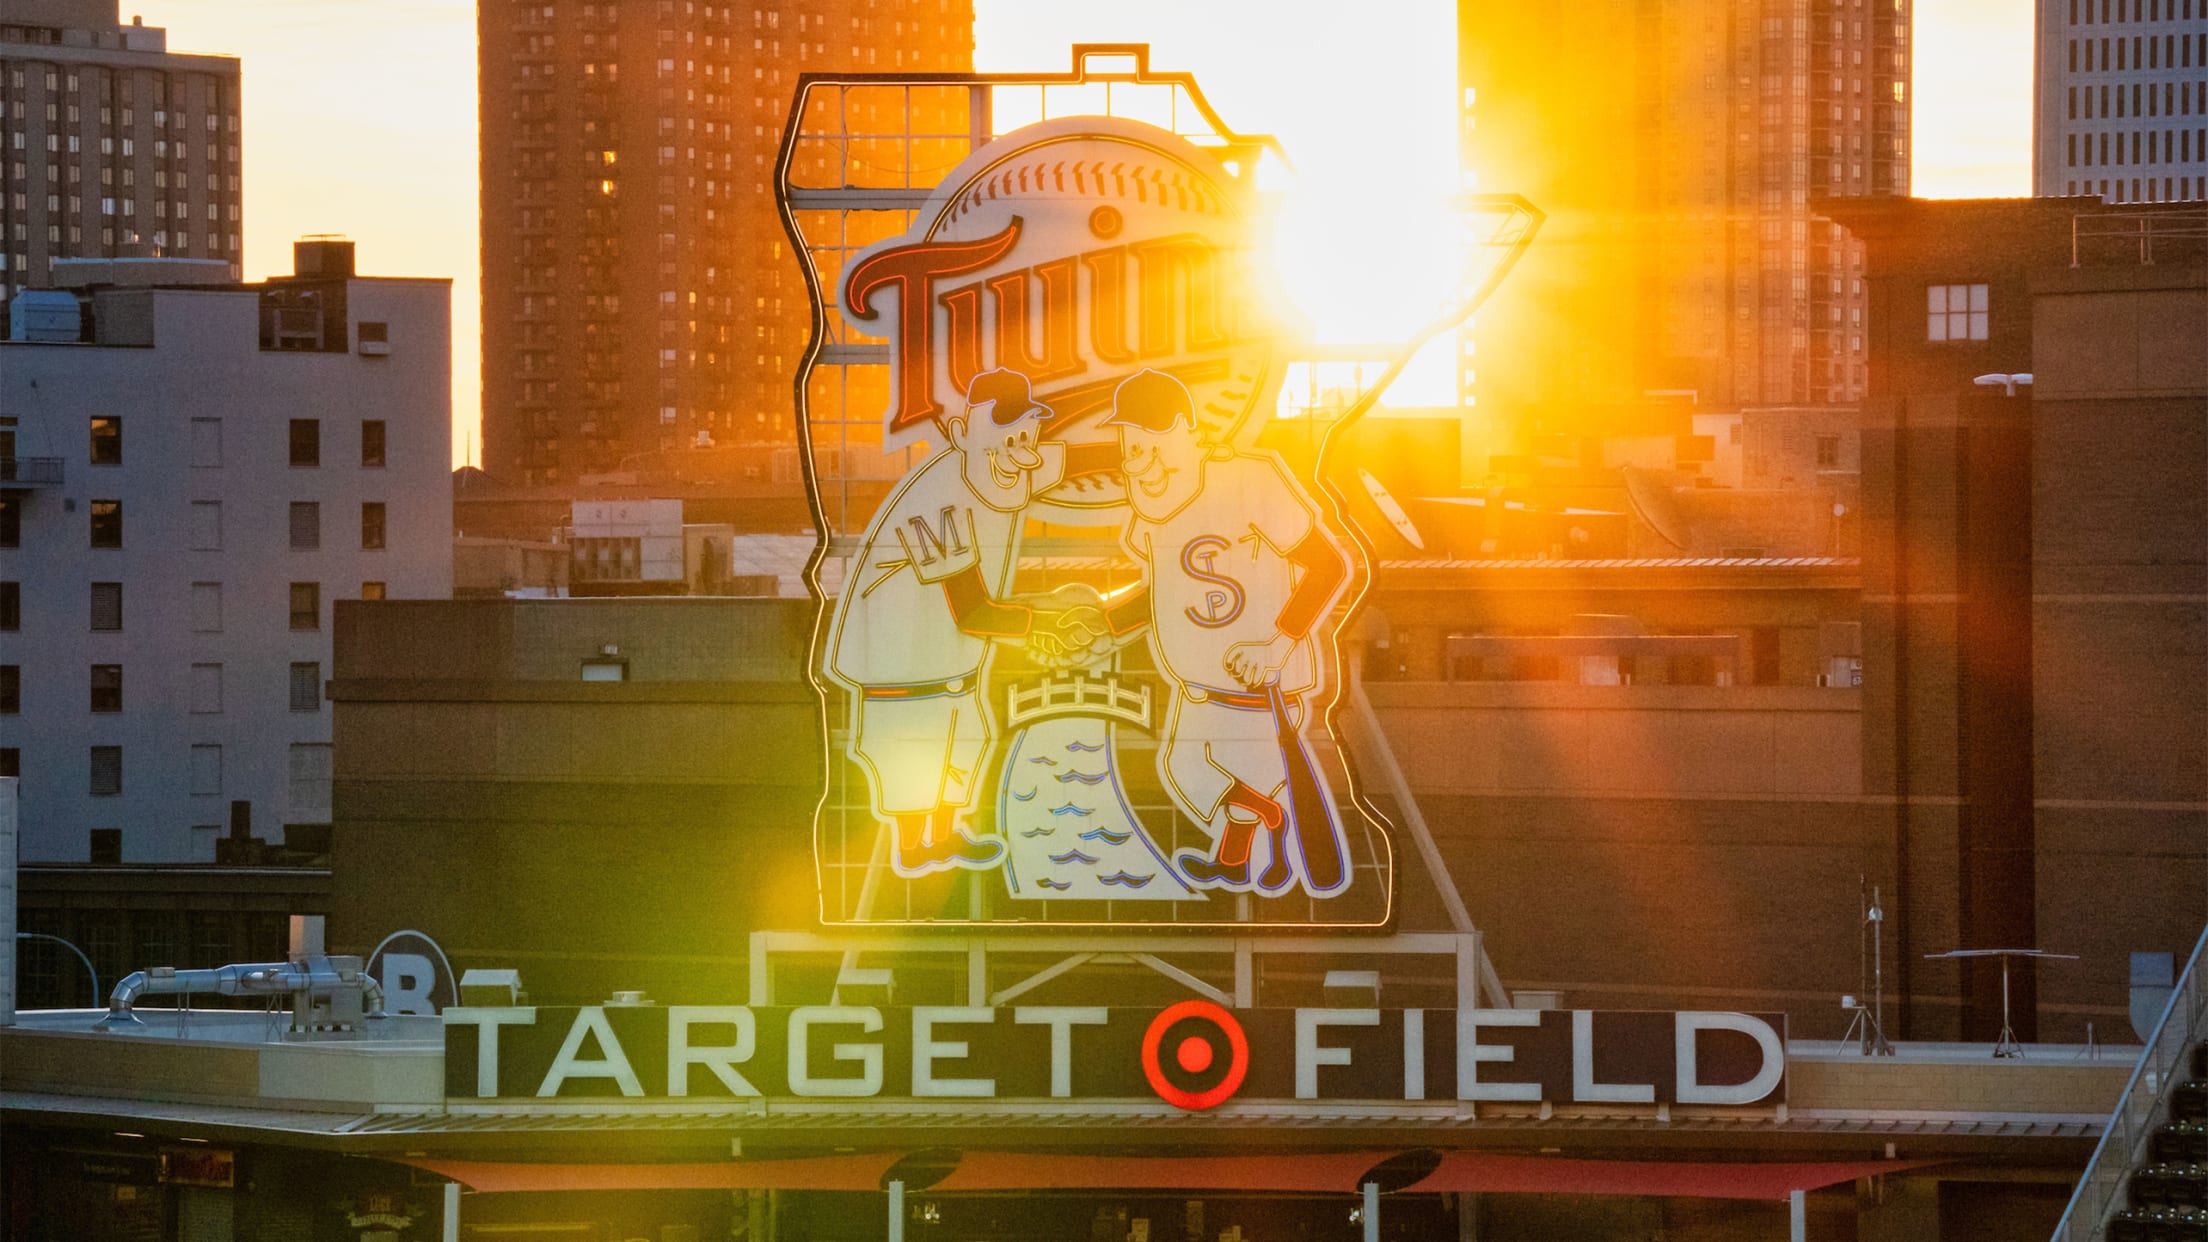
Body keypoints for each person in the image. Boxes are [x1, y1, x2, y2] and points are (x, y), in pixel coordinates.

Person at [1101, 369, 1353, 895]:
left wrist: (1277, 645)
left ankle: (1262, 833)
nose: (1138, 462)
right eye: (1129, 445)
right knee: (1183, 768)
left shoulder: (1249, 480)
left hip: (1261, 686)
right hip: (1199, 683)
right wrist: (1101, 620)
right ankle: (1251, 844)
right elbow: (1164, 593)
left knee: (1205, 769)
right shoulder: (1154, 507)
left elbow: (1328, 566)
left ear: (1182, 431)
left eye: (1150, 444)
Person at [825, 368, 1072, 877]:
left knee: (967, 739)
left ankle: (942, 837)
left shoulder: (999, 465)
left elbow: (1073, 461)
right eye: (1007, 437)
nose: (1022, 451)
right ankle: (916, 847)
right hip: (899, 667)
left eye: (1027, 436)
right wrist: (1046, 622)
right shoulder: (936, 499)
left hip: (946, 664)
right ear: (963, 435)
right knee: (917, 760)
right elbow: (973, 610)